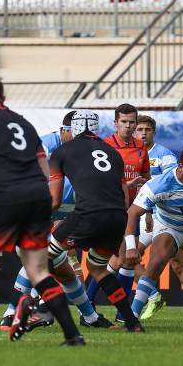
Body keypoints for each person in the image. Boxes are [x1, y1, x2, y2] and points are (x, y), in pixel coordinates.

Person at [0, 73, 83, 345]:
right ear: (3, 98)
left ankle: (21, 301)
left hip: (5, 195)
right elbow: (42, 164)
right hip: (38, 197)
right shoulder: (23, 123)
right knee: (39, 271)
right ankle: (73, 335)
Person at [0, 110, 107, 331]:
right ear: (65, 131)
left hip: (61, 212)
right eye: (75, 132)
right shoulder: (46, 146)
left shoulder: (85, 149)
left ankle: (88, 316)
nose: (80, 137)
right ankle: (14, 313)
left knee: (63, 271)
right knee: (43, 260)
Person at [48, 110, 144, 333]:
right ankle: (132, 322)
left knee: (43, 255)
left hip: (87, 215)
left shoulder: (61, 152)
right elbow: (123, 195)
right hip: (117, 217)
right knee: (97, 268)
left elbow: (54, 202)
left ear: (74, 128)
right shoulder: (113, 152)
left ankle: (43, 308)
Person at [123, 146, 183, 322]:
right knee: (156, 262)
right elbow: (132, 213)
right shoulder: (159, 185)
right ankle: (133, 316)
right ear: (181, 166)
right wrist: (130, 247)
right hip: (168, 227)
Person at [132, 115, 183, 320]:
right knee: (128, 258)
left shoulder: (164, 155)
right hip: (143, 213)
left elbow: (173, 185)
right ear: (134, 132)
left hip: (163, 217)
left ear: (154, 133)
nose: (143, 133)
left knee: (176, 263)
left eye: (147, 129)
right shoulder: (131, 154)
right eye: (139, 129)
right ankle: (154, 296)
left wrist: (150, 213)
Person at [85, 104, 150, 323]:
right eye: (124, 122)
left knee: (126, 260)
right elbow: (97, 179)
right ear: (115, 123)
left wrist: (148, 211)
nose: (129, 126)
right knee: (116, 259)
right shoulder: (104, 146)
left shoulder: (141, 147)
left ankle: (111, 309)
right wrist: (125, 184)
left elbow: (146, 180)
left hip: (134, 211)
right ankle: (104, 307)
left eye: (132, 122)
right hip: (111, 210)